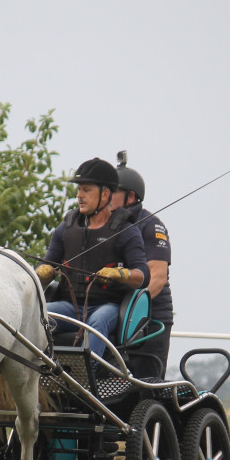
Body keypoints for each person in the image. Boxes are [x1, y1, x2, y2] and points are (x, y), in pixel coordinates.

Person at [35, 157, 149, 361]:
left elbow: (143, 275)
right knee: (39, 314)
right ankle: (39, 370)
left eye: (86, 190)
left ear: (105, 194)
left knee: (97, 323)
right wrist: (41, 273)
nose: (79, 196)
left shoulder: (126, 231)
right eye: (79, 190)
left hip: (107, 307)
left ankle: (86, 376)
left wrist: (121, 275)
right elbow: (48, 263)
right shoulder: (66, 228)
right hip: (69, 306)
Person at [110, 151, 173, 379]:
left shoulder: (151, 225)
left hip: (149, 318)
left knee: (146, 382)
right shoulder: (104, 225)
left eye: (112, 191)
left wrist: (129, 316)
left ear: (130, 197)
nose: (106, 195)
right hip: (116, 314)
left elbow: (158, 277)